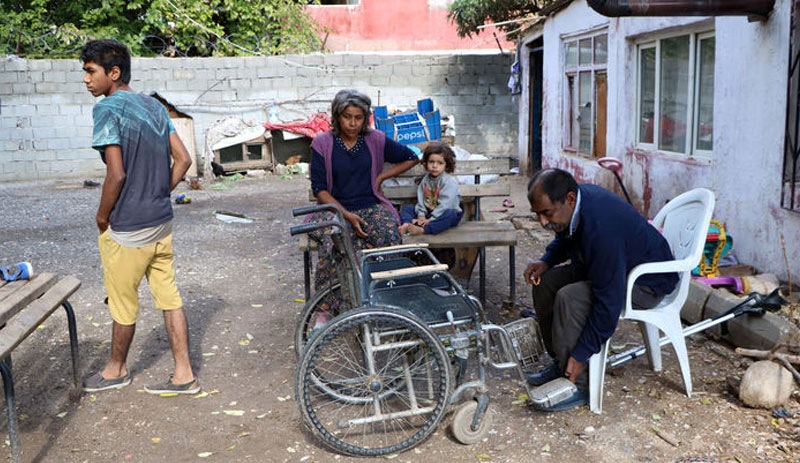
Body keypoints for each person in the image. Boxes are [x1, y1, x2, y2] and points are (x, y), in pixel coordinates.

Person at [80, 39, 199, 395]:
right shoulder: (154, 106)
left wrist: (102, 217)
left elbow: (116, 175)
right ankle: (184, 375)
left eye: (90, 71)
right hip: (161, 221)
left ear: (113, 73)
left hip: (129, 228)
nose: (85, 80)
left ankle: (116, 369)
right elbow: (184, 159)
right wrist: (160, 192)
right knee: (169, 298)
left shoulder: (107, 109)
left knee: (122, 302)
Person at [524, 168, 678, 411]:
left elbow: (609, 302)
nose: (543, 221)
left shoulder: (602, 228)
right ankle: (561, 362)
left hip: (646, 282)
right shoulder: (575, 205)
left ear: (570, 199)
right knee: (545, 284)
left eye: (547, 213)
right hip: (612, 268)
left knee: (569, 298)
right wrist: (547, 261)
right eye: (538, 215)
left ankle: (579, 381)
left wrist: (583, 352)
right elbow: (566, 237)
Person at [307, 89, 419, 292]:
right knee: (337, 241)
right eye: (347, 117)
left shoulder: (375, 139)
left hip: (370, 206)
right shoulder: (322, 143)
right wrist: (346, 215)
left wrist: (382, 176)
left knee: (388, 236)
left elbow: (412, 156)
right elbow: (320, 190)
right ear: (337, 116)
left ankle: (382, 295)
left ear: (365, 119)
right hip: (333, 210)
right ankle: (328, 307)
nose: (352, 123)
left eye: (358, 118)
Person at [398, 142, 463, 236]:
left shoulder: (449, 181)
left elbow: (445, 204)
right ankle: (407, 224)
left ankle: (423, 230)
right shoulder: (426, 180)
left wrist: (431, 220)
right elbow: (421, 199)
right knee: (407, 208)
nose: (434, 166)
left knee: (451, 214)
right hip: (429, 212)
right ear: (426, 162)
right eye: (431, 162)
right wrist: (421, 215)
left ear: (447, 165)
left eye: (440, 163)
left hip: (444, 213)